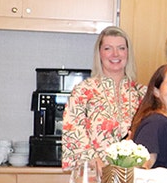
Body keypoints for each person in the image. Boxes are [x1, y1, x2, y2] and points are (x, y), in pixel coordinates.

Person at [61, 26, 145, 168]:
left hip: (132, 175)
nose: (115, 54)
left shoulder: (142, 93)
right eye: (108, 48)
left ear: (128, 53)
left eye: (121, 48)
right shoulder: (83, 91)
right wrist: (94, 162)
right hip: (94, 173)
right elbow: (72, 132)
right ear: (99, 53)